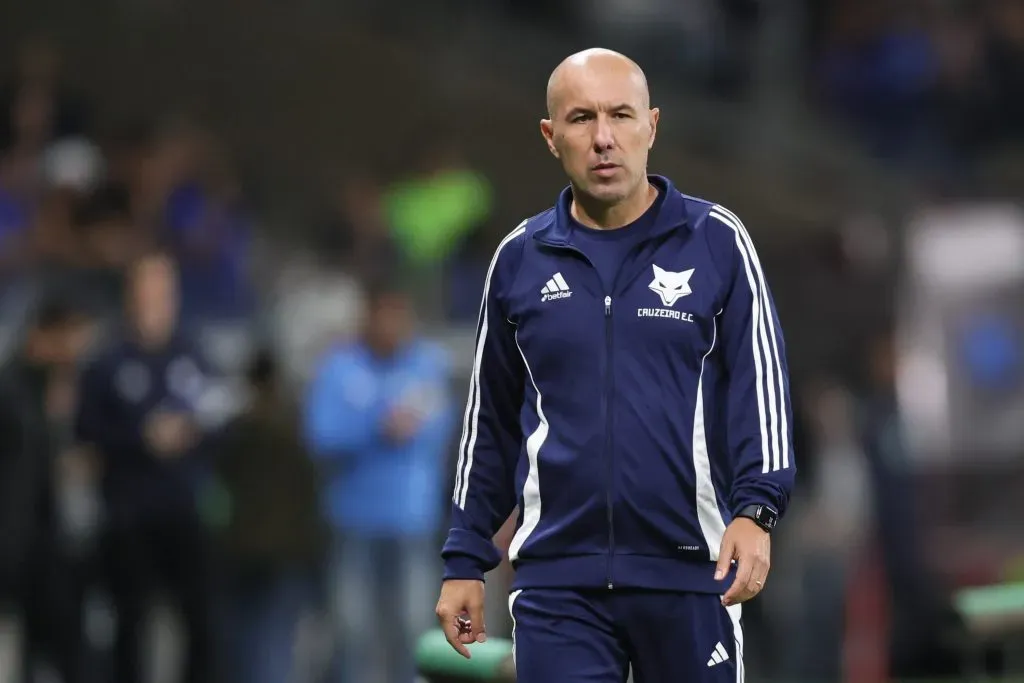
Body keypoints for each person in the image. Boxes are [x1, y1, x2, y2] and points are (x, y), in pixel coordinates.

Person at [435, 48, 796, 682]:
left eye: (620, 115)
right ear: (551, 136)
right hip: (558, 585)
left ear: (651, 126)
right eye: (581, 118)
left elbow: (759, 390)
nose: (603, 138)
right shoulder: (519, 259)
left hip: (692, 572)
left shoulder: (717, 242)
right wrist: (465, 558)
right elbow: (488, 423)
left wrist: (756, 511)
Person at [74, 251, 216, 683]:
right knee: (130, 623)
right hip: (129, 511)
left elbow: (221, 415)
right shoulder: (107, 360)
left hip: (184, 507)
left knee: (200, 620)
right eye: (146, 289)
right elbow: (86, 432)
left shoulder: (193, 354)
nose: (155, 300)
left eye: (163, 290)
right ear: (130, 295)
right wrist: (142, 437)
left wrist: (190, 431)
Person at [304, 281, 455, 683]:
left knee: (413, 628)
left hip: (411, 521)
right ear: (367, 318)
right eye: (383, 316)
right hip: (353, 522)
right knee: (351, 630)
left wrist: (410, 429)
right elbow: (321, 435)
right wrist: (377, 428)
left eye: (398, 317)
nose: (391, 326)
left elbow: (442, 428)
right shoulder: (339, 368)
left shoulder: (426, 366)